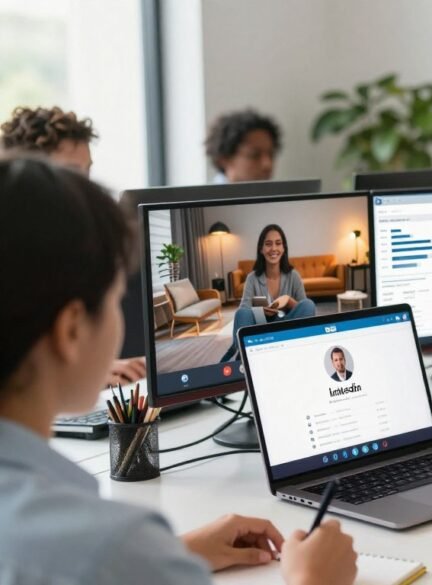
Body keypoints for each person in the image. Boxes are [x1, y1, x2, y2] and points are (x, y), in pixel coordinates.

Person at [0, 156, 357, 584]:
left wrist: (166, 553)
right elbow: (99, 558)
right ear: (71, 331)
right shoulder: (105, 546)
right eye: (116, 299)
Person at [0, 105, 146, 385]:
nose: (86, 186)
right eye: (71, 174)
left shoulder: (91, 245)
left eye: (87, 172)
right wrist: (91, 373)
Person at [220, 224, 316, 362]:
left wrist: (289, 301)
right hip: (261, 331)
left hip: (287, 330)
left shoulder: (293, 276)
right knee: (241, 313)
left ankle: (293, 350)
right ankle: (241, 355)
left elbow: (305, 310)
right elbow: (244, 310)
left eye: (278, 243)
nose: (273, 248)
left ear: (283, 248)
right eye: (268, 244)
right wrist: (260, 311)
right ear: (261, 249)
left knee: (308, 304)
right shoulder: (252, 278)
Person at [205, 108, 281, 183]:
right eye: (255, 155)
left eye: (271, 155)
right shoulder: (206, 191)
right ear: (225, 159)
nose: (267, 165)